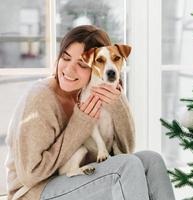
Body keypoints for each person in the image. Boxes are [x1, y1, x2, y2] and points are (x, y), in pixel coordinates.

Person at [5, 25, 176, 200]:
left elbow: (124, 151)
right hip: (34, 193)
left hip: (78, 180)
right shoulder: (40, 98)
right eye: (66, 58)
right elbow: (30, 174)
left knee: (152, 161)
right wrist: (80, 124)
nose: (69, 70)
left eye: (81, 64)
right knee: (126, 166)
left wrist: (116, 103)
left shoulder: (94, 92)